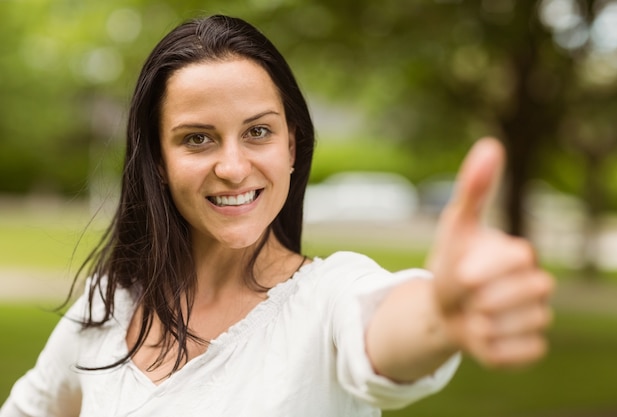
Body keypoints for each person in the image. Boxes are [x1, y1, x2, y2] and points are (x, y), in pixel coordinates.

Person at [0, 14, 553, 417]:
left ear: (292, 145)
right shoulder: (111, 304)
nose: (234, 167)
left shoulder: (329, 294)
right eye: (197, 139)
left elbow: (383, 332)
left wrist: (439, 313)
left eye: (258, 131)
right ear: (159, 162)